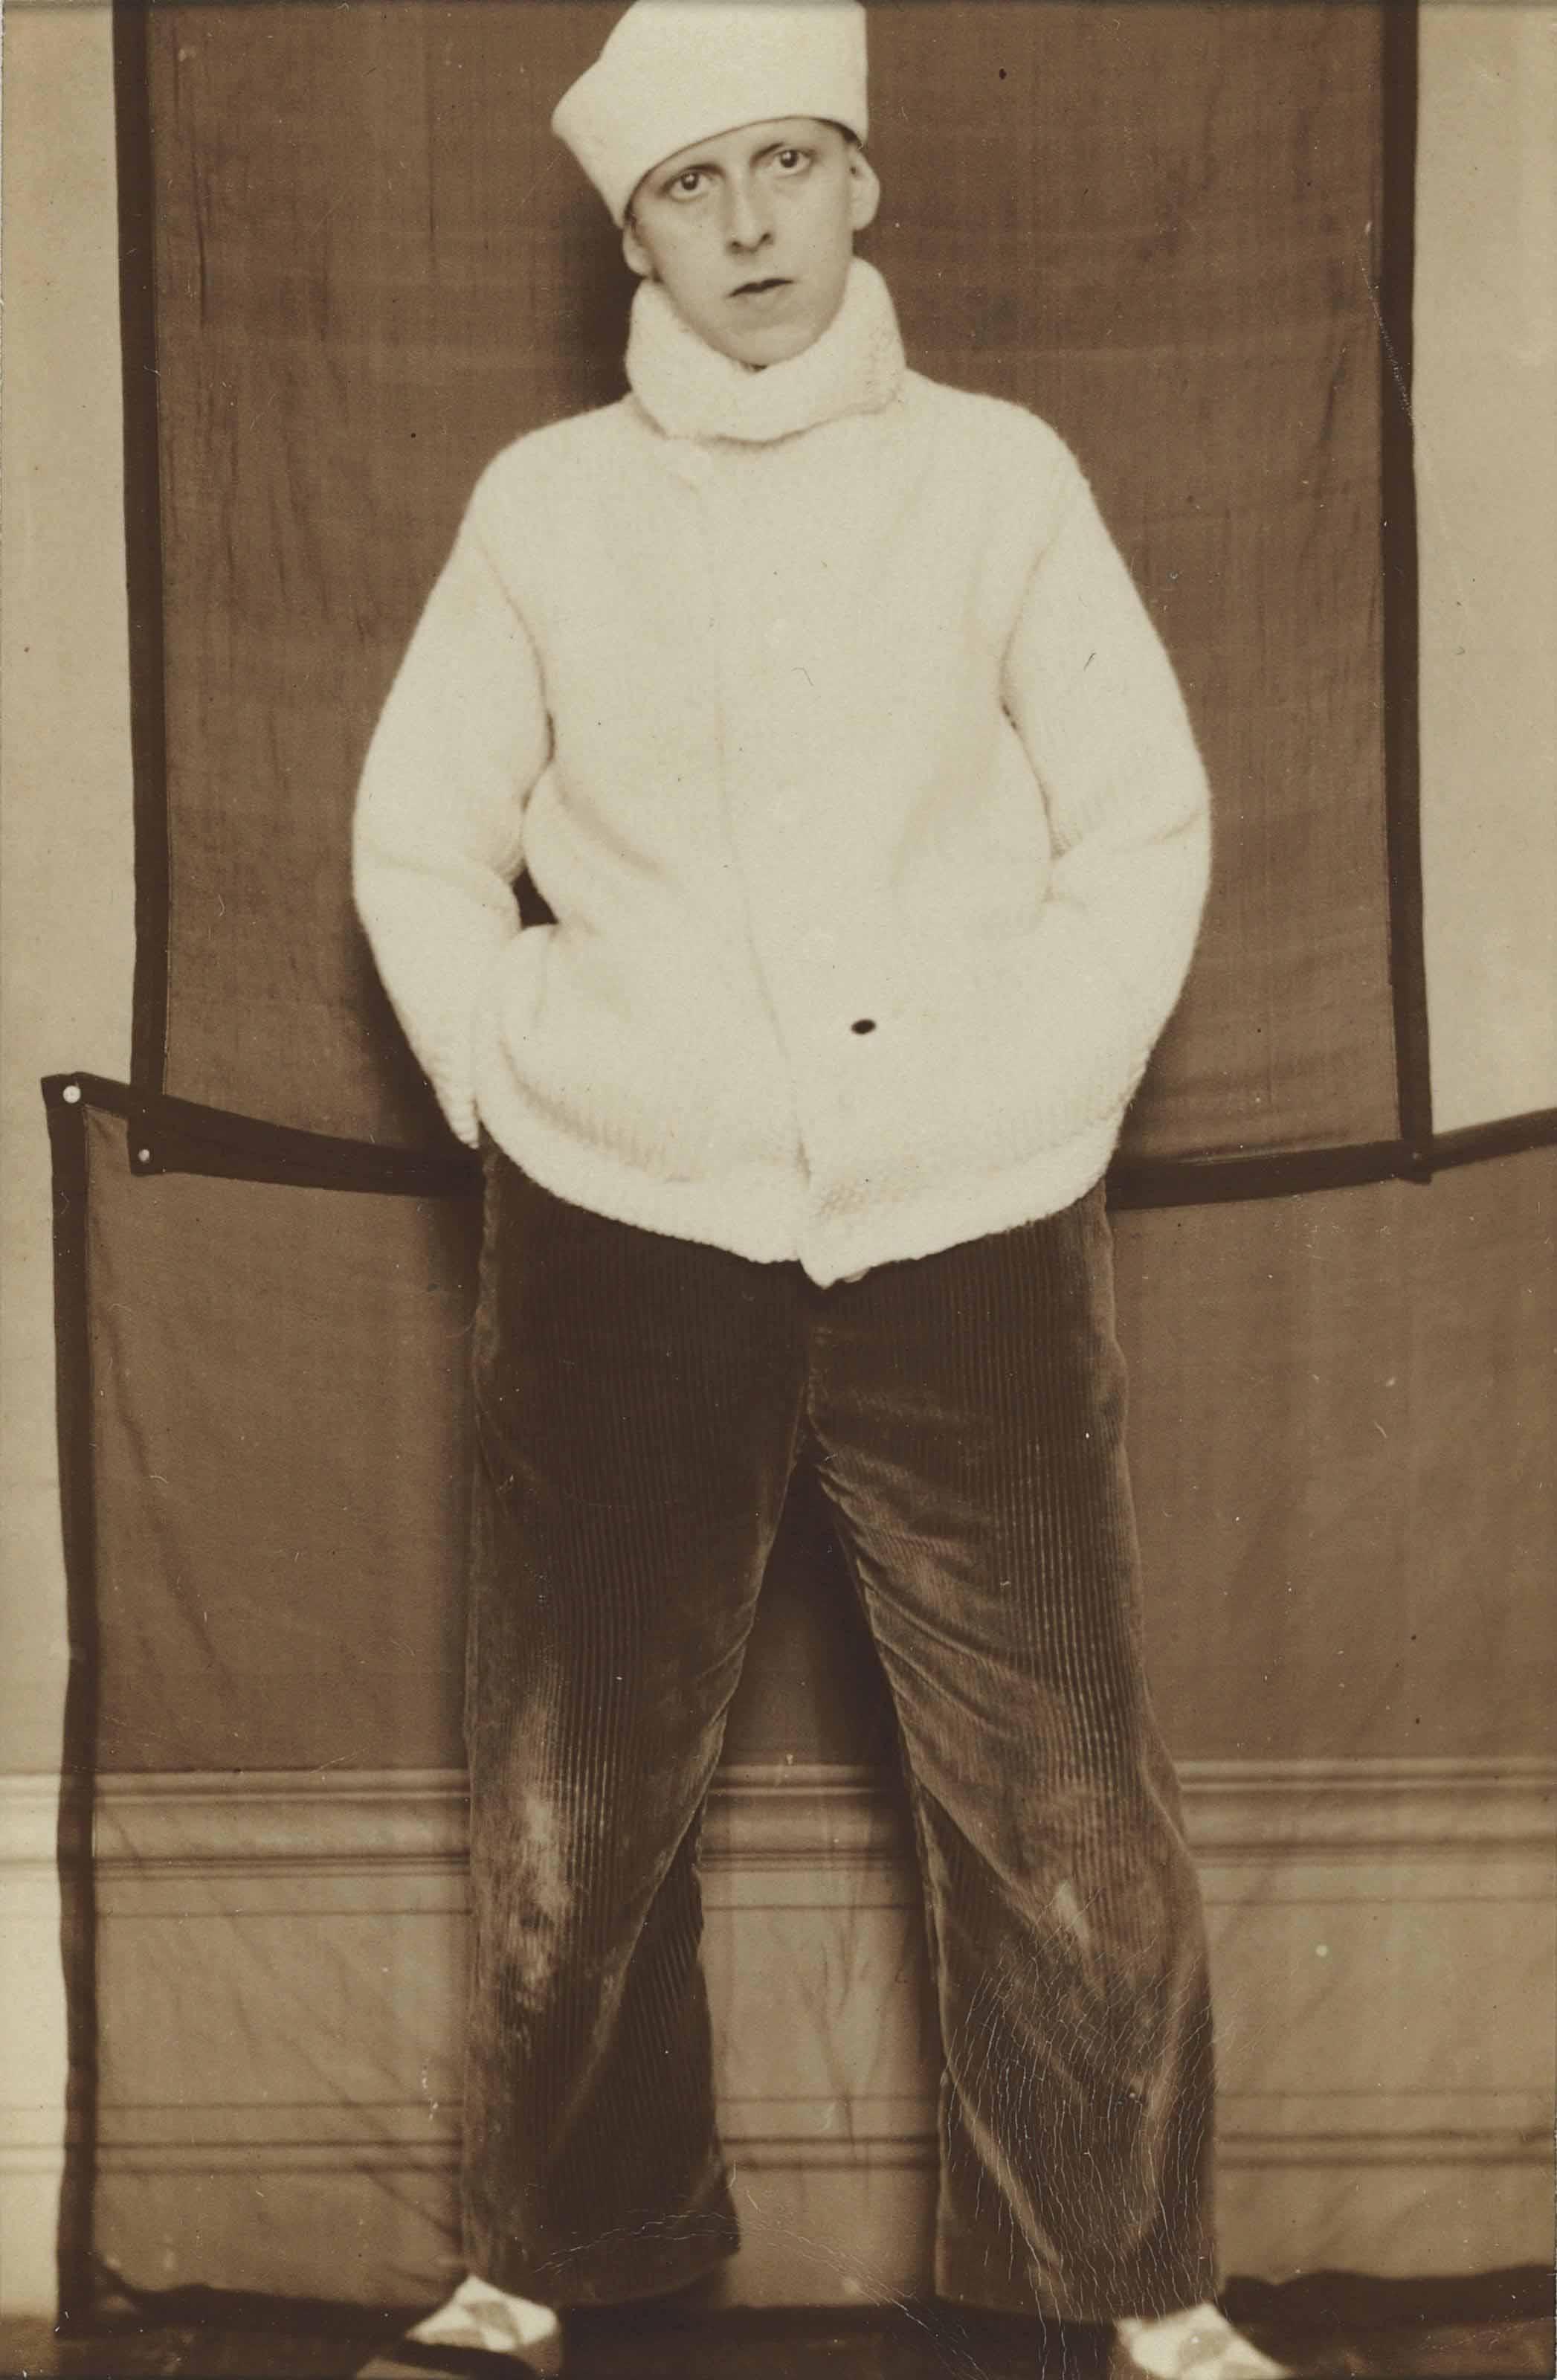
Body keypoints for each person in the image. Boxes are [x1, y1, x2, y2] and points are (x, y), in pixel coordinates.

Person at [352, 4, 1289, 2374]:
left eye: (789, 163)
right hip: (618, 1226)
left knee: (1063, 1798)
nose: (750, 223)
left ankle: (1136, 2294)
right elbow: (420, 842)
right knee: (579, 1806)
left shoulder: (1001, 484)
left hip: (972, 1226)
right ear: (631, 231)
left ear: (862, 183)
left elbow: (1144, 824)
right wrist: (529, 1074)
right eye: (692, 184)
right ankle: (561, 2262)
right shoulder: (540, 510)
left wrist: (1026, 1089)